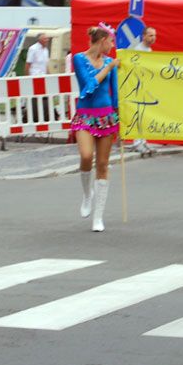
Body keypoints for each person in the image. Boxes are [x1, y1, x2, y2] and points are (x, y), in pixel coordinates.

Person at [70, 24, 120, 232]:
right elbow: (88, 86)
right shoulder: (79, 59)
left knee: (102, 163)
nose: (112, 46)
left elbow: (115, 91)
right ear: (102, 42)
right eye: (111, 42)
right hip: (85, 116)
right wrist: (108, 68)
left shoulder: (110, 62)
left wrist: (119, 117)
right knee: (85, 155)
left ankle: (98, 217)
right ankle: (87, 194)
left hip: (107, 115)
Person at [131, 27, 157, 158]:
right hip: (138, 87)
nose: (153, 38)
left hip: (146, 86)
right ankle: (137, 142)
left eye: (154, 36)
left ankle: (143, 140)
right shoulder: (138, 51)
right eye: (151, 35)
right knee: (138, 114)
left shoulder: (149, 50)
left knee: (144, 114)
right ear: (144, 36)